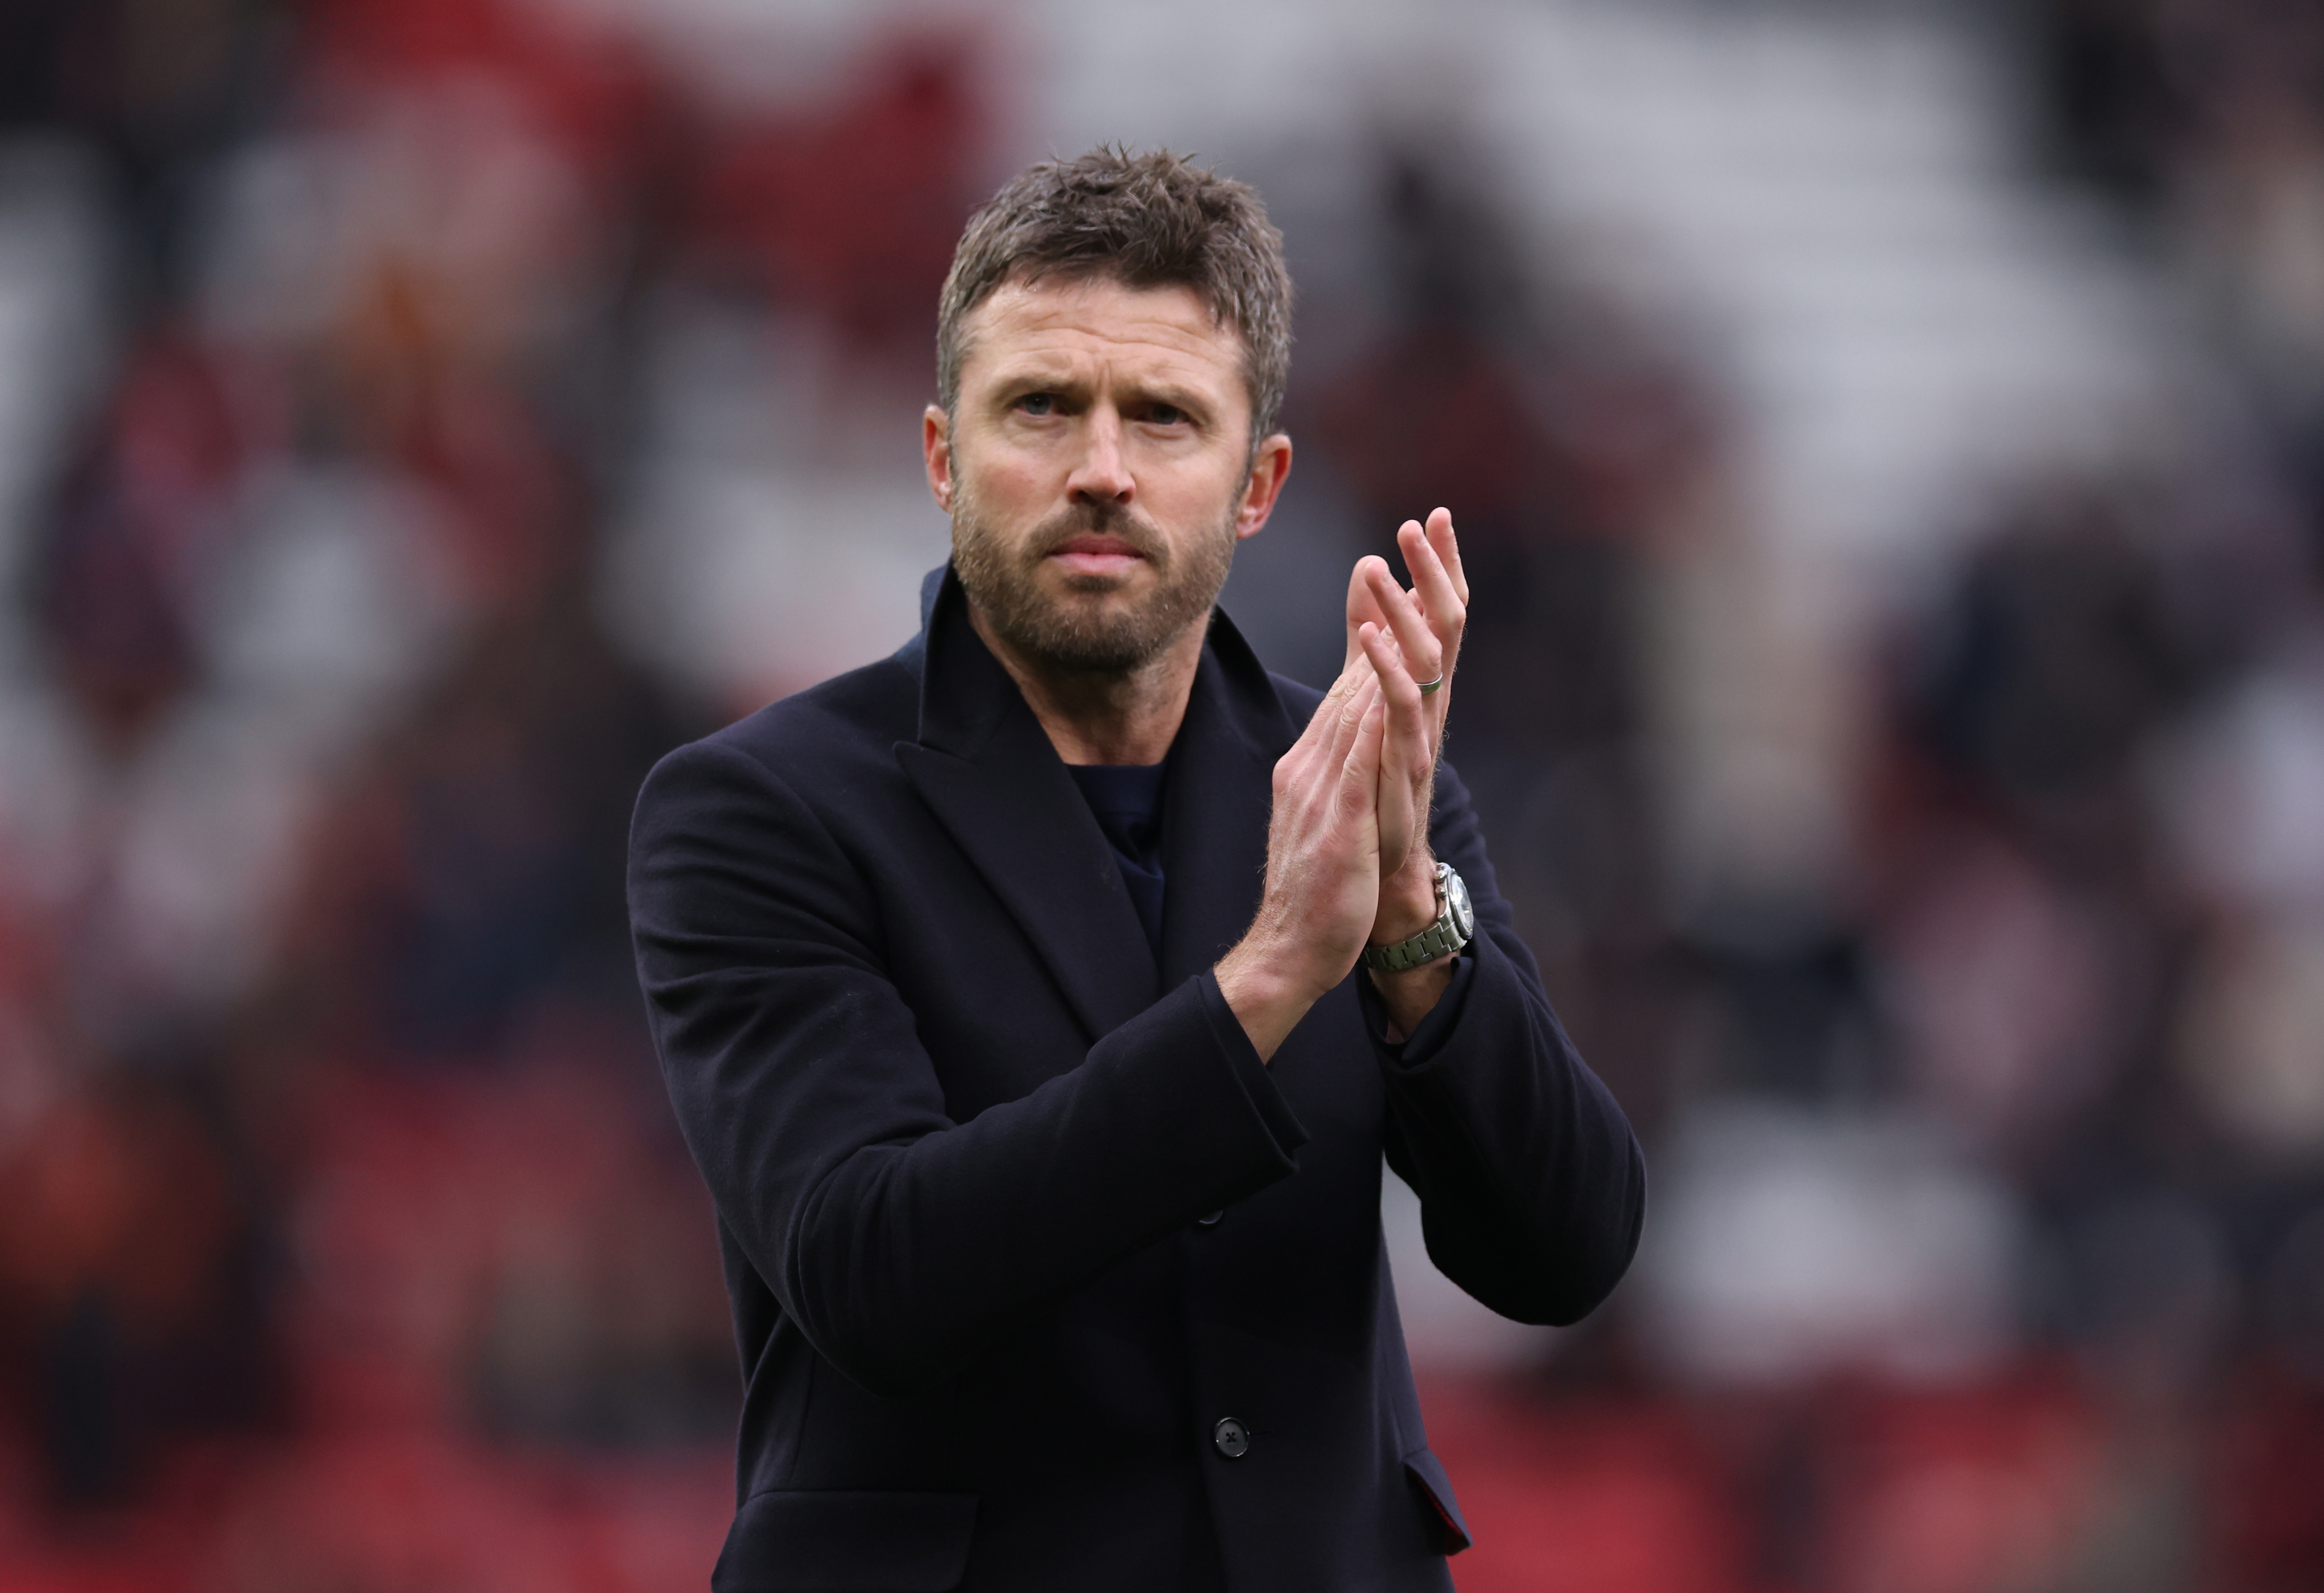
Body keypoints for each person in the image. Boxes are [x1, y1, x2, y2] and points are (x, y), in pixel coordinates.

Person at [627, 147, 1645, 1593]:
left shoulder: (1363, 781)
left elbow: (1568, 1251)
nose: (1101, 467)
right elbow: (874, 1272)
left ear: (1258, 482)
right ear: (939, 455)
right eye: (1041, 405)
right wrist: (1272, 978)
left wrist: (1417, 932)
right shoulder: (758, 809)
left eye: (1165, 416)